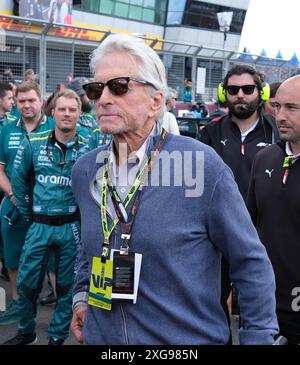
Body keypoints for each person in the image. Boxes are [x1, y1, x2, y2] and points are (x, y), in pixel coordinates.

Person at [70, 33, 278, 345]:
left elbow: (250, 261)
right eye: (96, 89)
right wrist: (81, 296)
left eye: (119, 86)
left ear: (156, 102)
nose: (103, 98)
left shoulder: (200, 164)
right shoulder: (85, 170)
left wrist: (259, 337)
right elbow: (89, 249)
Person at [2, 89, 90, 345]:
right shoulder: (34, 141)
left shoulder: (89, 146)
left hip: (70, 227)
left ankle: (57, 336)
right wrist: (29, 213)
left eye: (72, 110)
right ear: (52, 111)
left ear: (79, 114)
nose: (66, 114)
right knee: (28, 285)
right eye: (62, 109)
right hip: (39, 225)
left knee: (66, 288)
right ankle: (26, 332)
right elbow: (18, 181)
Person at [199, 64, 280, 336]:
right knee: (212, 304)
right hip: (217, 238)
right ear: (225, 93)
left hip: (263, 237)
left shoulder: (276, 133)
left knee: (258, 307)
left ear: (261, 92)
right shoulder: (209, 133)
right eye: (233, 90)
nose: (240, 95)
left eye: (248, 89)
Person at [247, 75, 300, 345]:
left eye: (291, 108)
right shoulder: (265, 158)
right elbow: (249, 229)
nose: (280, 115)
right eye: (278, 106)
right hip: (263, 302)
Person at [0, 81, 54, 326]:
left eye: (31, 100)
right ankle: (18, 303)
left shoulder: (56, 126)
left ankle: (61, 311)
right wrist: (13, 195)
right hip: (14, 205)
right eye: (21, 101)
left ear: (40, 100)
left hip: (50, 206)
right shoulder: (8, 130)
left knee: (55, 257)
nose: (26, 105)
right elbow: (0, 169)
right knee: (13, 255)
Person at [0, 82, 17, 282]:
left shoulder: (12, 122)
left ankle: (7, 264)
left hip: (8, 184)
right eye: (10, 98)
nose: (13, 102)